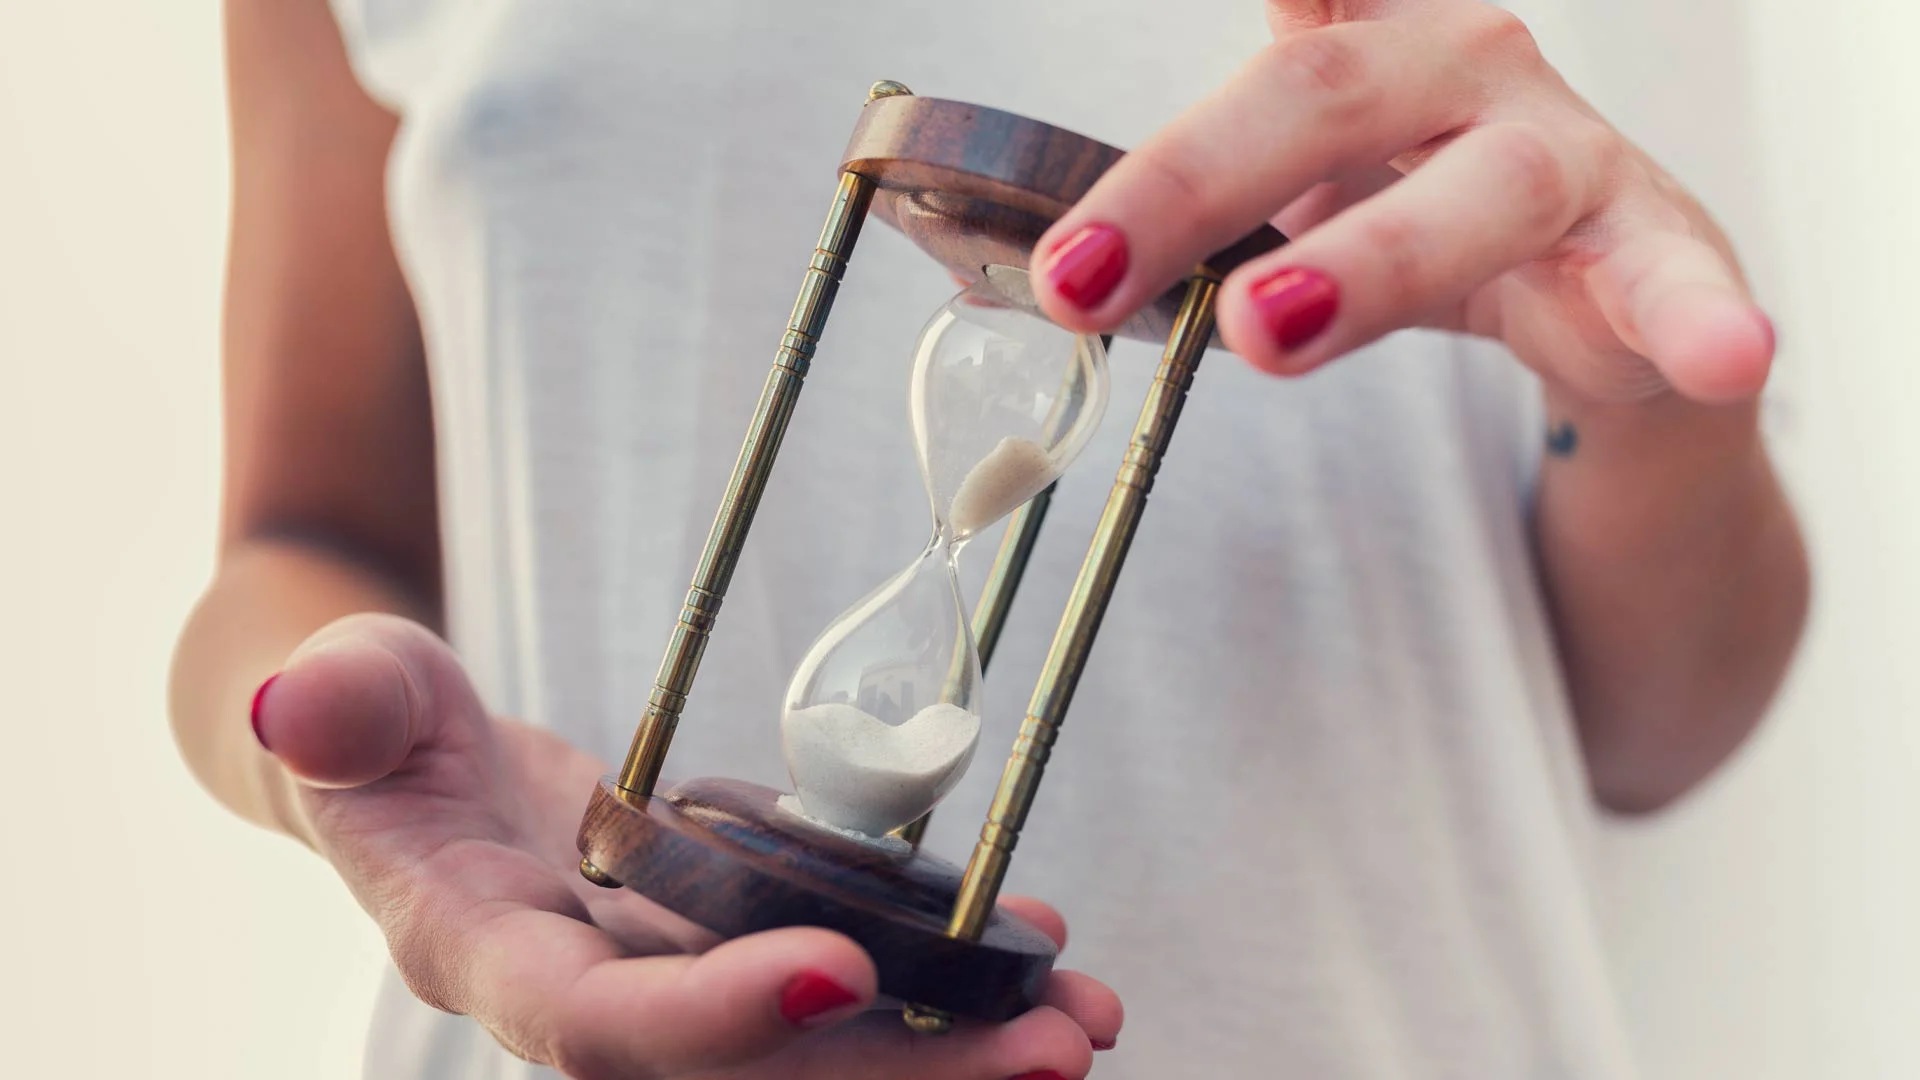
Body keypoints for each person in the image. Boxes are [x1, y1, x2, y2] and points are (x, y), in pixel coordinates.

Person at [169, 0, 1808, 1076]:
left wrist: (1653, 396)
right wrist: (339, 758)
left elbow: (1654, 729)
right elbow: (305, 533)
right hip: (547, 1020)